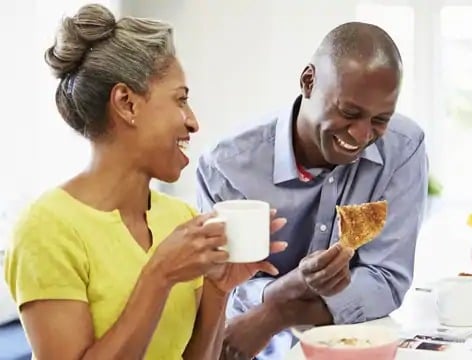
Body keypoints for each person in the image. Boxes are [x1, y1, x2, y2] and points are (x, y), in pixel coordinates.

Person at [2, 4, 286, 359]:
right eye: (180, 99)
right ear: (127, 104)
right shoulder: (46, 230)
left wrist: (218, 289)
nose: (193, 121)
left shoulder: (180, 219)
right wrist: (159, 275)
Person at [196, 21, 428, 359]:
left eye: (380, 120)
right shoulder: (227, 166)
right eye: (350, 113)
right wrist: (284, 289)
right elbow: (221, 287)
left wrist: (277, 312)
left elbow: (387, 280)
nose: (363, 136)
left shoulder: (404, 148)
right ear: (308, 81)